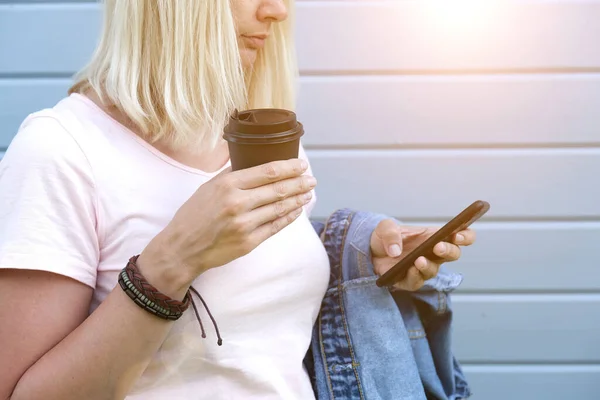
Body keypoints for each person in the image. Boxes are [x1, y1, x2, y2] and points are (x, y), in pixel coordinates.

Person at [0, 0, 476, 399]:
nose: (278, 11)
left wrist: (357, 251)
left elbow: (255, 313)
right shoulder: (61, 150)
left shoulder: (259, 138)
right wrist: (172, 262)